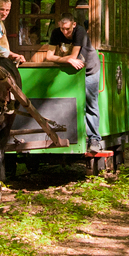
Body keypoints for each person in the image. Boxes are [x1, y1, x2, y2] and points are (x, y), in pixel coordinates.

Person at [45, 12, 103, 153]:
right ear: (59, 25)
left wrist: (64, 58)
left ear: (74, 25)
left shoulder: (80, 32)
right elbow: (49, 56)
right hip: (71, 71)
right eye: (62, 29)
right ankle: (70, 136)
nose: (65, 32)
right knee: (67, 104)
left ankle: (94, 139)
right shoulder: (56, 33)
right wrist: (66, 60)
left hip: (89, 70)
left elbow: (73, 56)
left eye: (68, 29)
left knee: (90, 104)